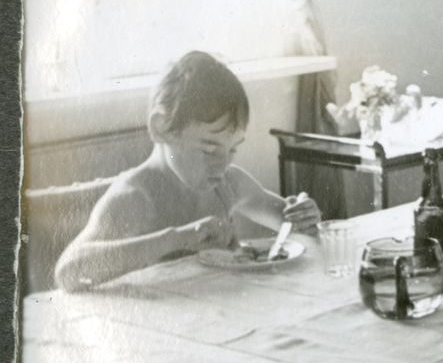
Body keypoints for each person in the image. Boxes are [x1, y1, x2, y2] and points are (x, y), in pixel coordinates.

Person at [55, 51, 323, 292]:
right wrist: (177, 238)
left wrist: (303, 215)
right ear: (162, 128)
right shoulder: (135, 197)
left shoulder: (228, 184)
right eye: (209, 150)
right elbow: (68, 273)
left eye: (233, 150)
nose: (222, 164)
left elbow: (290, 223)